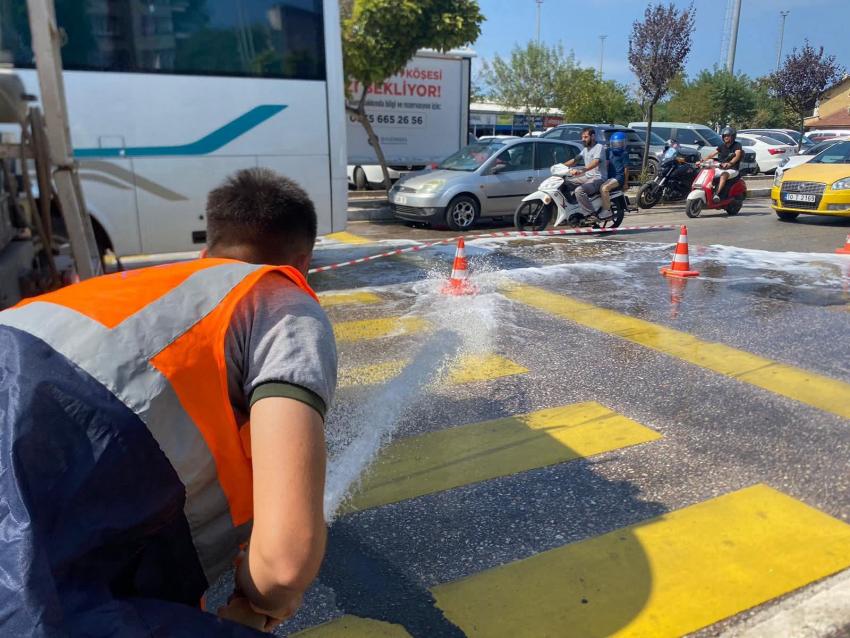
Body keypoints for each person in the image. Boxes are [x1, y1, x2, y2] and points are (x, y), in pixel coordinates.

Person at [0, 168, 338, 636]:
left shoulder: (137, 289)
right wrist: (257, 604)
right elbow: (285, 561)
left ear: (205, 251)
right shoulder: (282, 302)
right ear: (302, 262)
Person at [561, 127, 608, 217]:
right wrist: (561, 166)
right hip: (587, 176)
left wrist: (583, 170)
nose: (583, 139)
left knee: (579, 190)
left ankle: (591, 214)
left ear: (593, 136)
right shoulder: (585, 149)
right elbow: (575, 160)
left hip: (598, 178)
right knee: (564, 183)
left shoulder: (599, 147)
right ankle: (573, 209)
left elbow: (595, 162)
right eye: (582, 137)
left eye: (585, 137)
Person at [704, 125, 743, 203]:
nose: (726, 137)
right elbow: (712, 154)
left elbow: (737, 155)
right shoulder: (722, 146)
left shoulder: (737, 145)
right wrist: (702, 160)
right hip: (721, 167)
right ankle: (707, 190)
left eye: (728, 136)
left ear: (733, 137)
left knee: (723, 175)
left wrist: (730, 163)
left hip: (732, 169)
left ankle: (716, 194)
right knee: (708, 173)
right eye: (724, 136)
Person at [599, 131, 629, 219]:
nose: (618, 145)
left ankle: (607, 211)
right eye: (616, 143)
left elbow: (626, 169)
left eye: (620, 143)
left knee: (604, 188)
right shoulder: (608, 151)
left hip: (618, 178)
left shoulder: (624, 154)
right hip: (609, 177)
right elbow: (606, 163)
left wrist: (625, 183)